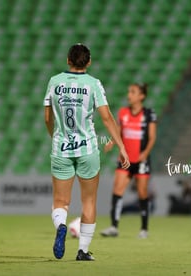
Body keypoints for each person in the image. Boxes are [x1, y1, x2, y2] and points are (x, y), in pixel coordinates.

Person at [44, 43, 130, 261]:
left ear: (68, 60)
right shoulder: (93, 84)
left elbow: (47, 117)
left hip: (61, 148)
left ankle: (61, 225)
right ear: (89, 62)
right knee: (89, 201)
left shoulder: (55, 82)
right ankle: (82, 251)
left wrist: (55, 137)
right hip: (87, 149)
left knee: (61, 201)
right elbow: (107, 117)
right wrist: (121, 146)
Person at [100, 83, 157, 239]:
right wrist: (112, 142)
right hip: (125, 159)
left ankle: (144, 228)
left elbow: (152, 137)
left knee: (142, 193)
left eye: (133, 92)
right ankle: (114, 227)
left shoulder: (149, 114)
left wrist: (145, 153)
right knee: (117, 190)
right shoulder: (123, 112)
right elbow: (119, 131)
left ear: (141, 96)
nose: (129, 95)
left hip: (141, 160)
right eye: (128, 91)